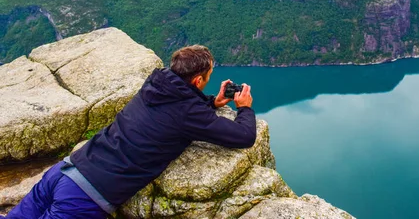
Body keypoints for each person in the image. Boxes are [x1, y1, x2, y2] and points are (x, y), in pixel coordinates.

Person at [3, 45, 255, 219]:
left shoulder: (156, 83)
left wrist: (211, 102)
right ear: (198, 80)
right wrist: (243, 108)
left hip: (64, 171)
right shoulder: (188, 113)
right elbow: (244, 137)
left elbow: (173, 110)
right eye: (209, 74)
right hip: (84, 196)